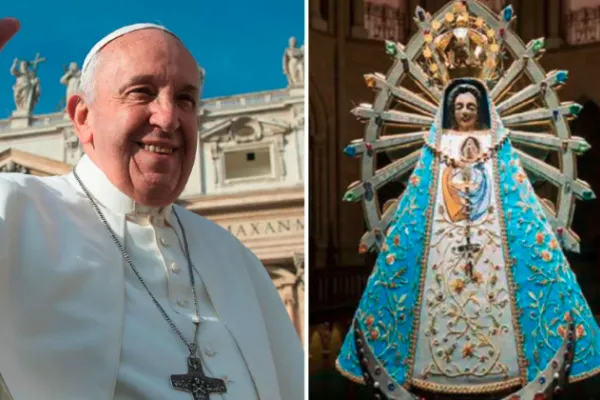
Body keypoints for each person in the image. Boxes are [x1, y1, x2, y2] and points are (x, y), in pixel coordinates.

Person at [0, 22, 303, 400]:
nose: (168, 117)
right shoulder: (13, 209)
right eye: (141, 92)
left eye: (186, 100)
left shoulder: (235, 257)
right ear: (82, 117)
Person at [336, 79, 600, 398]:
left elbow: (513, 195)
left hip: (492, 244)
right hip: (443, 244)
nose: (464, 112)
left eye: (471, 107)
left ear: (482, 110)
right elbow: (422, 198)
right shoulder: (438, 147)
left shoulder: (495, 145)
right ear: (450, 110)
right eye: (459, 106)